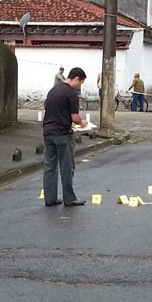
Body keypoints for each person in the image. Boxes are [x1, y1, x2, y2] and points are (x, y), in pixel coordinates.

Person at [42, 67, 88, 207]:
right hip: (62, 133)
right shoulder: (71, 93)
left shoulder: (53, 90)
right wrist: (83, 123)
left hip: (48, 132)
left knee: (50, 166)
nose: (80, 86)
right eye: (81, 82)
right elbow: (75, 118)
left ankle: (50, 198)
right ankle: (69, 198)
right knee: (66, 167)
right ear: (76, 78)